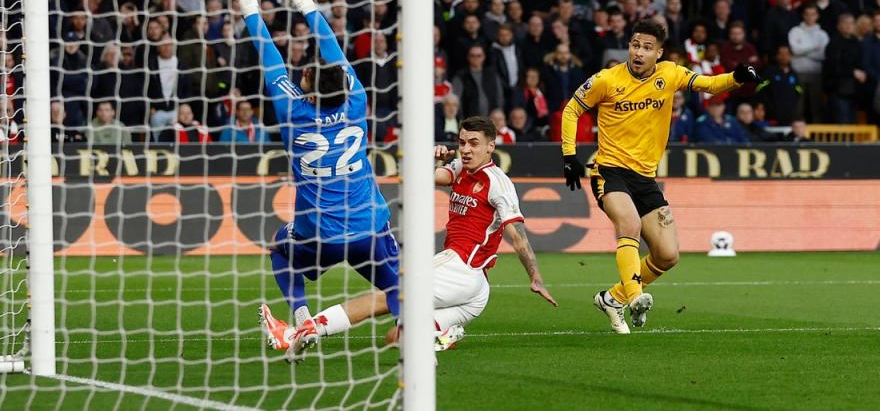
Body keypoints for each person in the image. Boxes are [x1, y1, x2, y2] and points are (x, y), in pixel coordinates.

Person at [210, 0, 398, 362]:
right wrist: (303, 0)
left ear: (309, 88)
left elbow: (268, 55)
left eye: (305, 74)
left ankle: (300, 318)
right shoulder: (357, 99)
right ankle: (421, 339)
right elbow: (333, 51)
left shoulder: (293, 110)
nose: (300, 73)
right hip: (371, 224)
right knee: (399, 288)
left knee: (280, 249)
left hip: (320, 235)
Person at [277, 116, 557, 354]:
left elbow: (516, 233)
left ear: (491, 147)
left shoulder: (498, 183)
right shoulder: (460, 169)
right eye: (462, 143)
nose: (466, 150)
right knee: (396, 338)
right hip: (473, 288)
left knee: (387, 296)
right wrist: (431, 157)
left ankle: (303, 331)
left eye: (474, 143)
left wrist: (536, 277)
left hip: (463, 269)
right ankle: (446, 334)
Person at [561, 18, 759, 333]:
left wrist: (736, 77)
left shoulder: (670, 74)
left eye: (647, 48)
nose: (639, 52)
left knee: (667, 256)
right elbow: (572, 109)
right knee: (629, 224)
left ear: (659, 52)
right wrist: (570, 155)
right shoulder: (606, 80)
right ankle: (636, 296)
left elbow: (708, 84)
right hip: (608, 169)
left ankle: (613, 298)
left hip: (645, 177)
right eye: (635, 45)